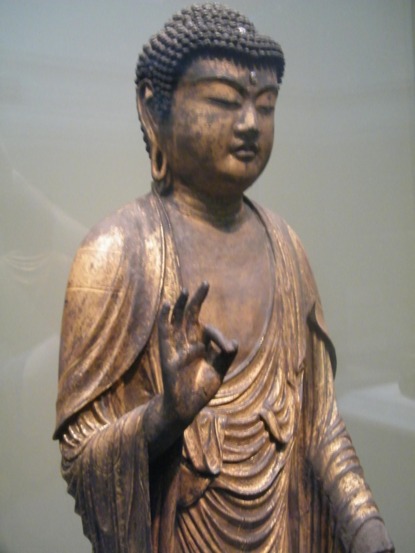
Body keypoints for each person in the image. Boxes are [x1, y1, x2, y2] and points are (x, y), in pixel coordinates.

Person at [54, 4, 394, 552]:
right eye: (223, 100)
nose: (250, 123)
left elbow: (320, 425)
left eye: (267, 105)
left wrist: (365, 525)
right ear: (153, 107)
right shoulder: (118, 252)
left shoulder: (288, 250)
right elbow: (80, 456)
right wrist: (164, 418)